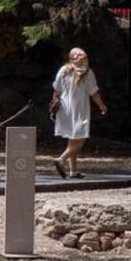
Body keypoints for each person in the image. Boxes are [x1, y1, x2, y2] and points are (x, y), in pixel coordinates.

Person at [49, 47, 108, 179]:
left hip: (65, 108)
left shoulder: (63, 70)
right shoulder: (87, 73)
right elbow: (93, 92)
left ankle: (73, 170)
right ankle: (61, 159)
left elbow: (56, 89)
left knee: (73, 138)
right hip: (79, 109)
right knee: (80, 140)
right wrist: (102, 105)